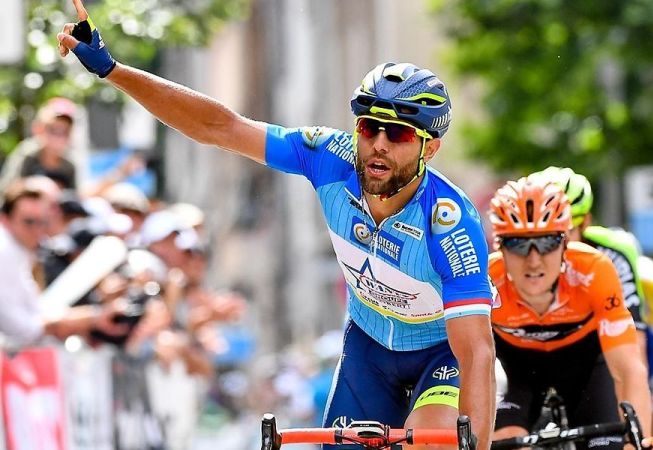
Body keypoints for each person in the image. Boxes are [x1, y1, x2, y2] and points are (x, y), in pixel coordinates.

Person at [57, 1, 496, 448]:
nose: (378, 145)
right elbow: (221, 127)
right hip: (370, 348)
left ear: (431, 148)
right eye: (368, 128)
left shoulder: (450, 224)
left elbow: (476, 352)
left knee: (427, 443)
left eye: (398, 134)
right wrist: (113, 70)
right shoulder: (329, 157)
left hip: (440, 355)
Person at [487, 176, 651, 449]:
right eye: (518, 244)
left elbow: (628, 368)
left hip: (586, 370)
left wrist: (638, 439)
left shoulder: (594, 269)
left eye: (548, 242)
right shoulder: (485, 280)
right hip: (519, 374)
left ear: (566, 244)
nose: (534, 259)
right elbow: (471, 363)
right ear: (499, 247)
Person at [532, 166, 648, 365]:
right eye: (541, 234)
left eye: (564, 232)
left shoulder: (613, 253)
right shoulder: (516, 255)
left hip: (598, 347)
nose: (552, 246)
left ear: (585, 222)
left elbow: (633, 337)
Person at [0, 179, 128, 348]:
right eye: (29, 221)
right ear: (5, 219)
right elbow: (24, 329)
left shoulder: (26, 252)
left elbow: (35, 316)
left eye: (43, 222)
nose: (37, 230)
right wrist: (93, 317)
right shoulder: (5, 253)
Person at [0, 97, 78, 191]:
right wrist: (36, 186)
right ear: (39, 129)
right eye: (53, 130)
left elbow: (74, 196)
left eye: (64, 131)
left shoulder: (68, 165)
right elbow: (7, 189)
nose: (58, 137)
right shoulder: (27, 154)